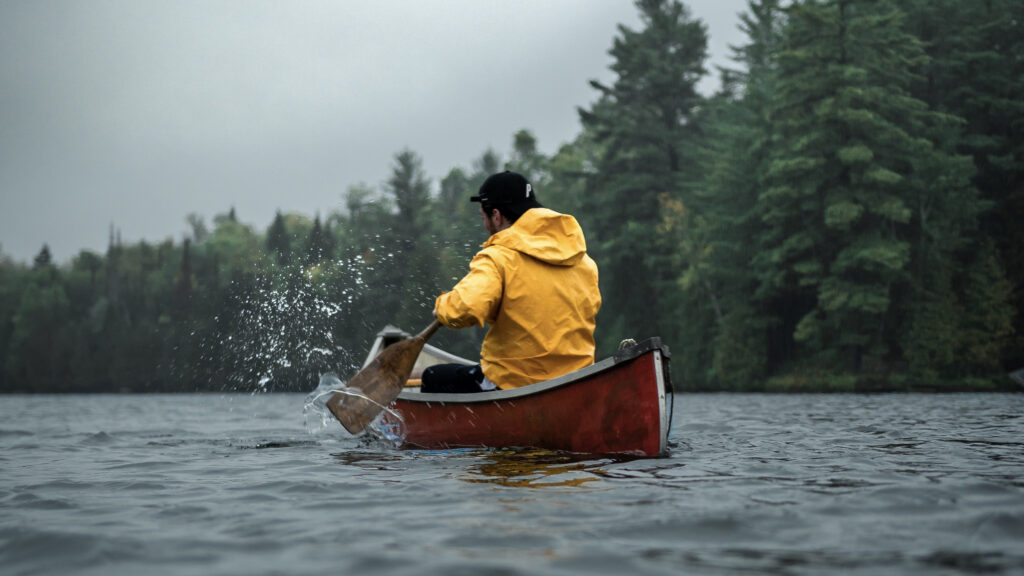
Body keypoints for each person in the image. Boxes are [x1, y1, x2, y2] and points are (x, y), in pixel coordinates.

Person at [421, 170, 601, 393]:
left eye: (483, 217)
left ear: (496, 216)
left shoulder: (497, 258)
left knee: (432, 377)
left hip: (515, 384)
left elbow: (462, 310)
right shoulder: (584, 262)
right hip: (577, 381)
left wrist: (441, 308)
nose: (485, 225)